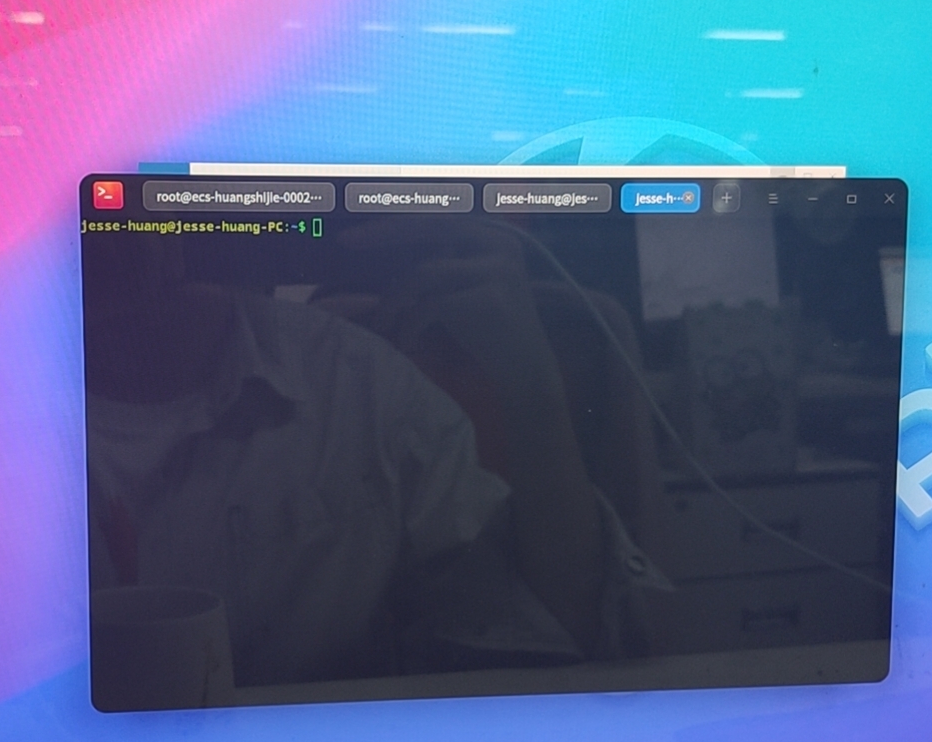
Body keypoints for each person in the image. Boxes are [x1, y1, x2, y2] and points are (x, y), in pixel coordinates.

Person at [81, 222, 623, 695]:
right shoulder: (362, 387)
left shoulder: (367, 391)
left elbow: (552, 637)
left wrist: (530, 384)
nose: (149, 231)